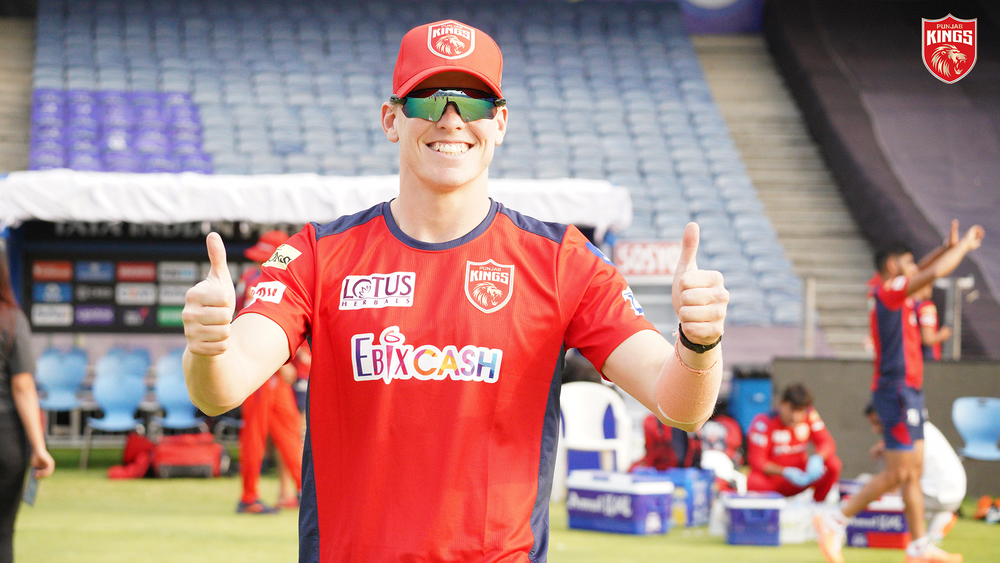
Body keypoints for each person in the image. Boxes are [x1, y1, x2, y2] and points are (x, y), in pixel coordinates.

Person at [182, 19, 728, 562]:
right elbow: (220, 389)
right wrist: (208, 347)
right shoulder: (317, 254)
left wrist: (699, 344)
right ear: (391, 119)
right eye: (428, 99)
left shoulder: (562, 261)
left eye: (473, 101)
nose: (451, 118)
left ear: (500, 122)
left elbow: (678, 405)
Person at [815, 223, 984, 563]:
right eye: (908, 263)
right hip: (896, 391)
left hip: (909, 391)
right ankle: (834, 521)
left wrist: (944, 247)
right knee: (898, 473)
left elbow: (922, 270)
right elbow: (932, 273)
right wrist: (964, 247)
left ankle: (918, 548)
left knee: (913, 472)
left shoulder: (893, 291)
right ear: (893, 267)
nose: (915, 268)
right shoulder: (889, 291)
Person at [233, 230, 303, 514]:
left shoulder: (251, 276)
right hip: (259, 370)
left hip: (271, 371)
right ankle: (249, 496)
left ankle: (306, 492)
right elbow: (260, 328)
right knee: (256, 433)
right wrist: (282, 364)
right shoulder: (260, 280)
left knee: (290, 431)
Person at [0, 248, 55, 563]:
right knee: (2, 534)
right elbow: (22, 386)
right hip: (6, 441)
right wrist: (39, 447)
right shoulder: (10, 320)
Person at [863, 404, 965, 544]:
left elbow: (896, 479)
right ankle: (937, 517)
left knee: (886, 497)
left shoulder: (910, 436)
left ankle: (937, 521)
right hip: (948, 492)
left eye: (878, 423)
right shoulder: (916, 428)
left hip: (942, 496)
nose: (875, 429)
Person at [746, 383, 841, 502]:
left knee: (833, 464)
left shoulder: (810, 416)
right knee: (754, 481)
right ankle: (767, 508)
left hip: (801, 478)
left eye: (800, 411)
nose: (795, 417)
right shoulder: (763, 422)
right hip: (774, 481)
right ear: (782, 404)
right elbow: (757, 461)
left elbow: (827, 442)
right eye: (792, 409)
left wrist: (818, 457)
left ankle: (817, 505)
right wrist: (785, 472)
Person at [913, 283, 950, 361]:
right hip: (927, 358)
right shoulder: (926, 307)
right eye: (929, 285)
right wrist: (943, 334)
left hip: (910, 358)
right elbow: (928, 339)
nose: (931, 289)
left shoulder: (905, 305)